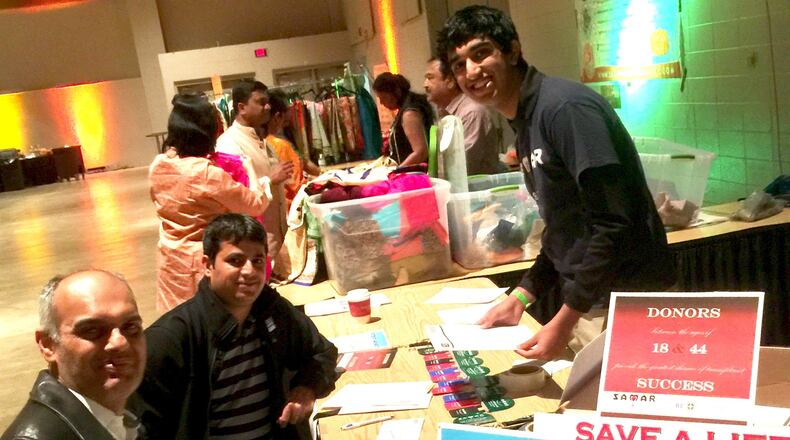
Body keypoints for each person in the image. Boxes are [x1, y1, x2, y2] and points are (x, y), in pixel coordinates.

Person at [437, 5, 676, 359]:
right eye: (459, 65)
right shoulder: (526, 120)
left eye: (481, 53)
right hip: (590, 301)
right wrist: (522, 296)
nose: (471, 71)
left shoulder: (565, 109)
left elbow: (614, 222)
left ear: (513, 50)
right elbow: (565, 226)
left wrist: (565, 320)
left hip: (625, 302)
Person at [130, 213, 338, 439]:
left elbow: (322, 353)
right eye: (236, 261)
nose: (249, 271)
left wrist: (306, 389)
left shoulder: (271, 310)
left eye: (257, 260)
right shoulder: (171, 338)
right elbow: (143, 427)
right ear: (208, 265)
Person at [149, 93, 269, 312]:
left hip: (171, 260)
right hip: (203, 261)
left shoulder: (158, 165)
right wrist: (250, 169)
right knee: (209, 324)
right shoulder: (206, 173)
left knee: (179, 323)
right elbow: (256, 204)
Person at [2, 270, 145, 440]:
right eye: (92, 330)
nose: (120, 342)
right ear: (48, 345)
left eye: (131, 327)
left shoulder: (121, 421)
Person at [217, 80, 294, 264]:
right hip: (253, 244)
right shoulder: (229, 144)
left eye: (267, 101)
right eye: (260, 102)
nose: (267, 106)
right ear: (242, 107)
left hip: (276, 236)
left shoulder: (263, 141)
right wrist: (271, 180)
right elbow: (235, 195)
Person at [424, 56, 512, 175]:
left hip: (476, 191)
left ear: (450, 82)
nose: (425, 85)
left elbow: (461, 166)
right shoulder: (446, 113)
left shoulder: (472, 113)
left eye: (430, 78)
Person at [264, 89, 319, 210]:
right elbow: (294, 185)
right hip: (292, 208)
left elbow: (303, 162)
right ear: (278, 116)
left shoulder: (268, 141)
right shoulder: (279, 145)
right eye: (286, 120)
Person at [372, 72, 435, 166]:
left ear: (396, 92)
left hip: (413, 174)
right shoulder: (410, 106)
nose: (381, 102)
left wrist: (397, 171)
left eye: (384, 97)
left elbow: (421, 152)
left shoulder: (409, 114)